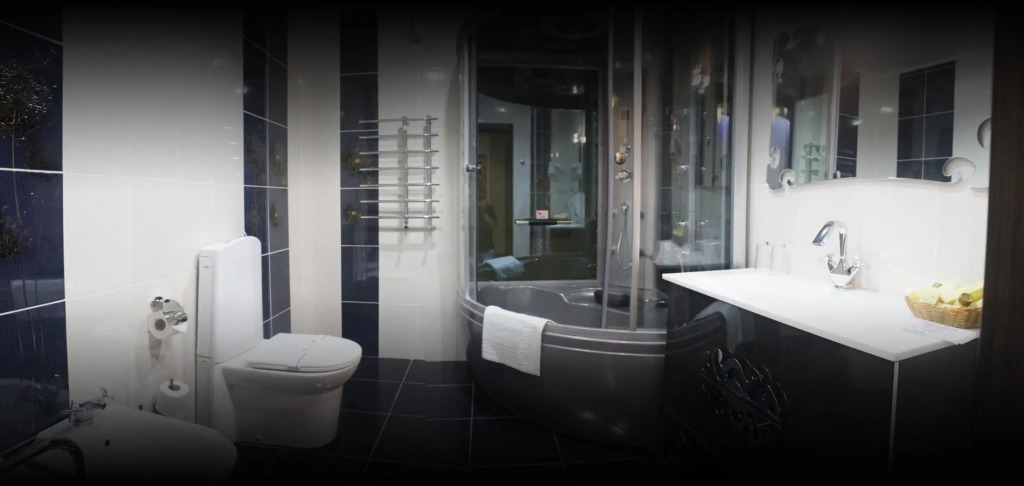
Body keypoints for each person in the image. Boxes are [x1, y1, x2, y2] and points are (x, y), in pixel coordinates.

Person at [478, 196, 497, 261]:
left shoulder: (489, 208)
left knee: (488, 265)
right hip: (473, 248)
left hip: (488, 247)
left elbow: (494, 225)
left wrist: (484, 214)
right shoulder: (472, 210)